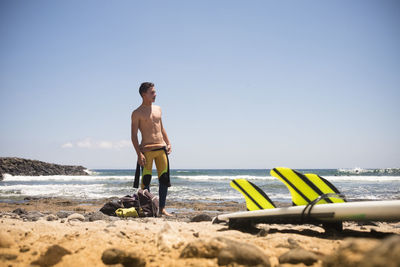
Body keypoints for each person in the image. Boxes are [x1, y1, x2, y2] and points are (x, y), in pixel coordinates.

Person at [131, 82, 172, 216]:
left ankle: (162, 209)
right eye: (152, 92)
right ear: (144, 94)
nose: (155, 94)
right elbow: (133, 135)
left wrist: (168, 142)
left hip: (161, 149)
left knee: (164, 180)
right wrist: (139, 154)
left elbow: (161, 127)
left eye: (155, 91)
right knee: (146, 182)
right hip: (147, 151)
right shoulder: (137, 113)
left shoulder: (158, 109)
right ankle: (148, 209)